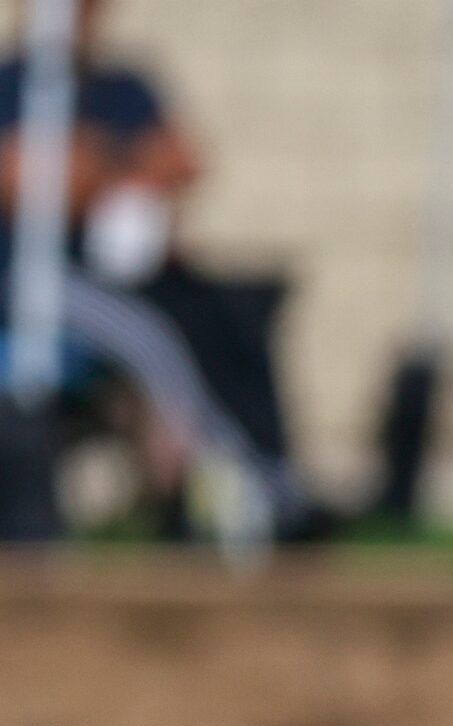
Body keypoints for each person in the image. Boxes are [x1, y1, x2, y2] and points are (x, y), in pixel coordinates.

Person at [0, 0, 322, 537]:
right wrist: (121, 164)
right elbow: (26, 180)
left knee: (231, 317)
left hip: (136, 275)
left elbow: (182, 160)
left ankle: (271, 477)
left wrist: (93, 164)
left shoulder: (126, 85)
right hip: (42, 283)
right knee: (154, 343)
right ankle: (242, 489)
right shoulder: (17, 87)